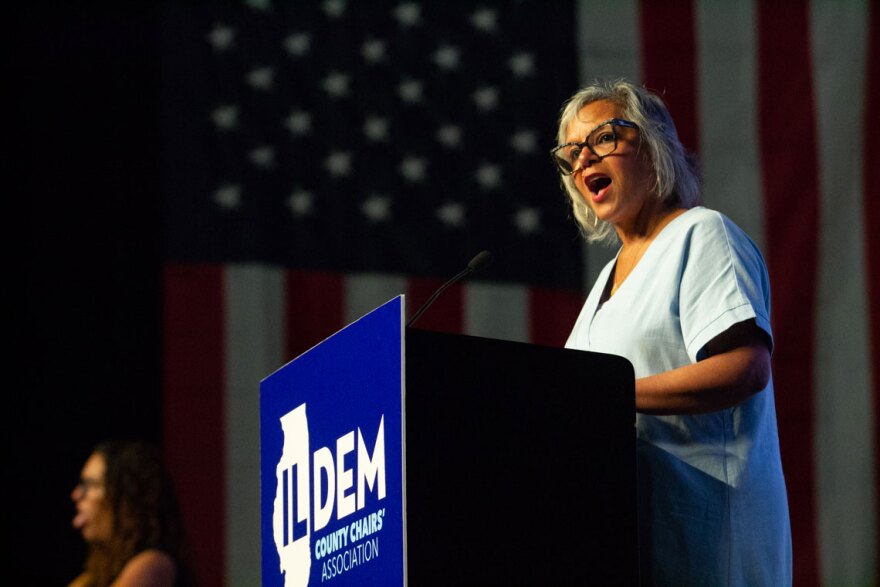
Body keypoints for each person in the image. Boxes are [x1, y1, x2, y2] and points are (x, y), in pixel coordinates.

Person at [552, 79, 792, 585]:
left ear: (654, 142)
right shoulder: (604, 284)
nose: (583, 161)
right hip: (627, 546)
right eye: (572, 152)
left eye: (603, 138)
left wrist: (612, 395)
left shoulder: (701, 233)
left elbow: (745, 367)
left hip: (706, 544)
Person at [69, 440, 192, 587]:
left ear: (127, 500)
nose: (76, 494)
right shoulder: (95, 575)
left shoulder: (153, 565)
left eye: (90, 485)